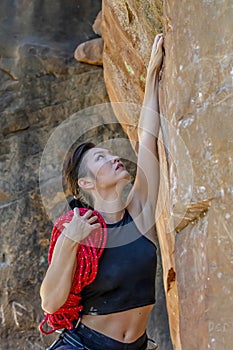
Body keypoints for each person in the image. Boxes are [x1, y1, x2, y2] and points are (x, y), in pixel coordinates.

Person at [40, 33, 164, 350]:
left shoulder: (138, 212)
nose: (113, 158)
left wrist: (152, 75)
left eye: (111, 153)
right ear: (86, 183)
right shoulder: (77, 229)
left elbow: (147, 138)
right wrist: (70, 240)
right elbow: (51, 303)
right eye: (101, 158)